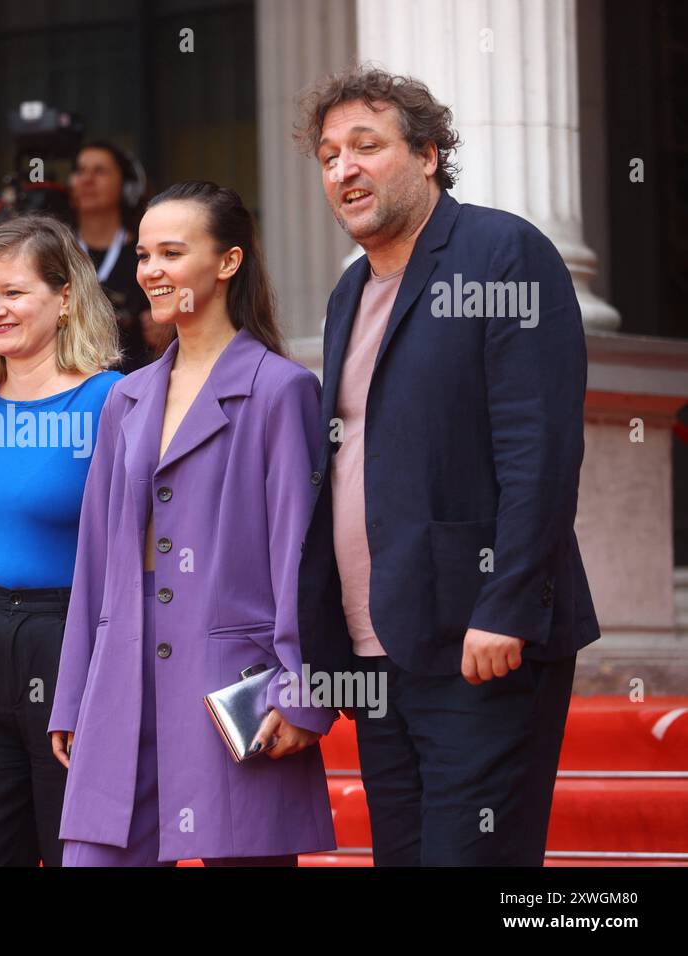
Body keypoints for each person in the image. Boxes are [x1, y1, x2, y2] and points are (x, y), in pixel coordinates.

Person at [294, 66, 599, 866]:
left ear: (428, 154)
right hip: (376, 647)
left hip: (478, 640)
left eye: (366, 147)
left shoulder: (503, 253)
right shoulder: (349, 291)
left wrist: (507, 603)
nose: (343, 170)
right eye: (329, 157)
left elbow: (539, 448)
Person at [48, 181, 338, 866]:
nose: (150, 270)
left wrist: (301, 692)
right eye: (145, 253)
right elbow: (96, 558)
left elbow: (301, 557)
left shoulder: (280, 390)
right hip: (122, 676)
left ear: (228, 261)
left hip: (233, 682)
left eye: (172, 252)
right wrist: (72, 694)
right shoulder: (126, 396)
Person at [0, 216, 122, 866]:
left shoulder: (112, 402)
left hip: (70, 637)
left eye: (13, 292)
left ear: (64, 296)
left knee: (76, 851)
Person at [69, 141, 165, 371]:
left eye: (99, 171)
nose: (87, 180)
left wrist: (169, 330)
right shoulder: (53, 252)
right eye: (80, 171)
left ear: (126, 187)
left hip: (133, 385)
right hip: (66, 390)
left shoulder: (147, 254)